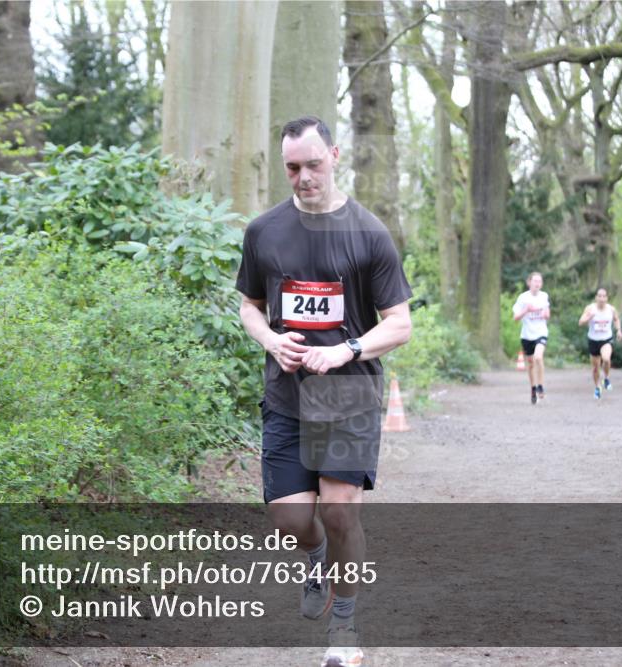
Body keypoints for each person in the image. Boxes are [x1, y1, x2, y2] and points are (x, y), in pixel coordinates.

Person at [236, 116, 412, 667]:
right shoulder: (264, 231)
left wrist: (347, 349)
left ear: (334, 155)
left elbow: (400, 324)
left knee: (341, 515)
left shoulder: (368, 233)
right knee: (291, 519)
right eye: (293, 167)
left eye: (313, 164)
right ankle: (314, 558)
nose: (304, 176)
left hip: (349, 397)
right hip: (287, 398)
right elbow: (249, 308)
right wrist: (271, 341)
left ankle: (345, 629)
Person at [512, 272, 550, 404]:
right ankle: (533, 387)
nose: (537, 284)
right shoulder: (523, 298)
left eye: (539, 281)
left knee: (538, 357)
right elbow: (516, 318)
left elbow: (547, 314)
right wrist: (526, 310)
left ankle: (540, 386)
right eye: (535, 281)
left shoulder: (544, 296)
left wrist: (546, 314)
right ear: (529, 282)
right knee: (530, 363)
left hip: (541, 333)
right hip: (527, 335)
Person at [578, 288, 622, 400]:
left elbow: (616, 319)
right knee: (595, 368)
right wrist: (589, 317)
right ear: (596, 298)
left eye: (604, 296)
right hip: (593, 340)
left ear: (607, 298)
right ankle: (597, 387)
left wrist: (618, 330)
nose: (602, 299)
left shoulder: (611, 309)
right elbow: (580, 322)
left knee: (606, 358)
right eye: (600, 296)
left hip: (606, 339)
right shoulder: (590, 308)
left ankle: (606, 378)